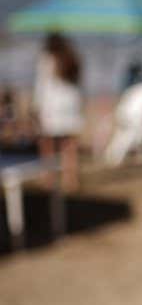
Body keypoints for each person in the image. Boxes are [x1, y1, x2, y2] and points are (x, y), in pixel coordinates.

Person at [35, 32, 84, 194]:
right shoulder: (73, 58)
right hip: (71, 105)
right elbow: (80, 85)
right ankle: (71, 179)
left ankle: (48, 177)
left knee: (47, 144)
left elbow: (41, 86)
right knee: (69, 146)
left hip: (52, 106)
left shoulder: (47, 59)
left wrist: (36, 107)